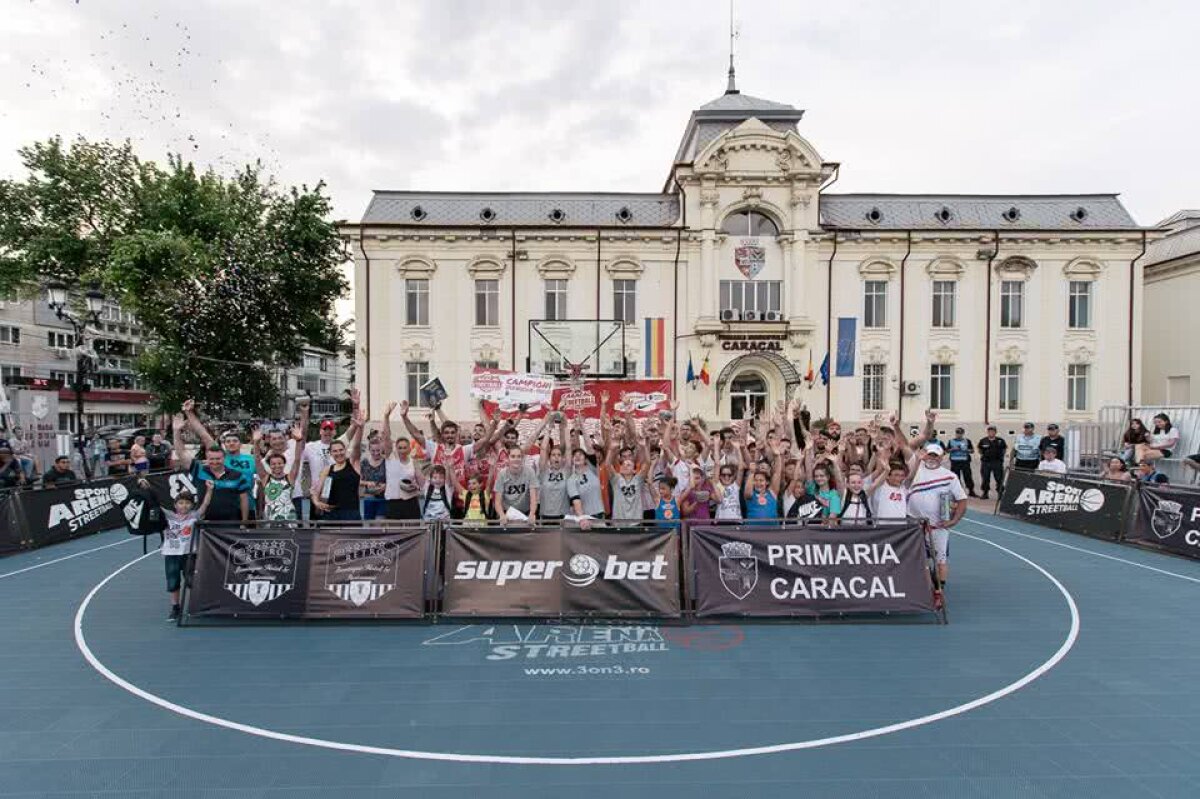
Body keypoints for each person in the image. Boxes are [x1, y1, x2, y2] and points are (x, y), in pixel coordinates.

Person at [174, 414, 250, 523]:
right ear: (207, 458)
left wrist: (244, 522)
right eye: (211, 459)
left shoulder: (237, 475)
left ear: (224, 458)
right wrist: (176, 431)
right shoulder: (199, 470)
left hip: (230, 524)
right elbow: (181, 453)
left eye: (218, 459)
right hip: (205, 524)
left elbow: (244, 500)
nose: (215, 462)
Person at [310, 410, 365, 522]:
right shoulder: (327, 470)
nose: (338, 453)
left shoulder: (353, 463)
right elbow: (317, 491)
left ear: (345, 450)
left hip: (351, 513)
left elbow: (356, 446)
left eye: (341, 450)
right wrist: (316, 502)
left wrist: (360, 428)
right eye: (335, 451)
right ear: (331, 453)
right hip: (331, 514)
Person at [257, 424, 304, 523]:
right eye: (273, 464)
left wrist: (299, 440)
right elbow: (257, 460)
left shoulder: (290, 474)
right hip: (271, 511)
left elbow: (297, 459)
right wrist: (255, 442)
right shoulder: (265, 466)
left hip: (292, 505)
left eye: (279, 463)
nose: (277, 466)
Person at [494, 444, 539, 523]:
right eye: (513, 456)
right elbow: (497, 500)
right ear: (508, 458)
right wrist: (501, 514)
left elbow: (533, 497)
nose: (516, 459)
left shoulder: (530, 472)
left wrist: (532, 514)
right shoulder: (502, 474)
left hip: (525, 512)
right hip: (507, 514)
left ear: (522, 458)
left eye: (519, 456)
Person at [359, 436, 388, 520]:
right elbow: (357, 480)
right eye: (373, 451)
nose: (376, 453)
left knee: (380, 524)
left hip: (383, 498)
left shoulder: (386, 462)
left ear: (382, 449)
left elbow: (392, 479)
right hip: (369, 497)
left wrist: (385, 486)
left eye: (378, 450)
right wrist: (367, 483)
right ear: (369, 450)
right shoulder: (364, 462)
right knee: (368, 525)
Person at [976, 426, 1007, 499]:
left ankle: (1000, 493)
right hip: (986, 462)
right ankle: (985, 493)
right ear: (987, 432)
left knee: (999, 478)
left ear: (995, 432)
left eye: (993, 431)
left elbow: (1004, 449)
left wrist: (1000, 457)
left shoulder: (1000, 440)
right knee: (985, 478)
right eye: (989, 431)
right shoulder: (983, 440)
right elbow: (980, 450)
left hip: (997, 462)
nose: (991, 433)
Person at [946, 427, 976, 498]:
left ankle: (971, 491)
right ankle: (957, 492)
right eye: (957, 433)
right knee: (956, 477)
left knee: (968, 476)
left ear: (963, 434)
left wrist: (966, 450)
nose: (958, 435)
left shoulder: (967, 441)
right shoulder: (951, 441)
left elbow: (972, 450)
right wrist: (953, 449)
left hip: (965, 461)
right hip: (955, 462)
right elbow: (947, 450)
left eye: (960, 433)